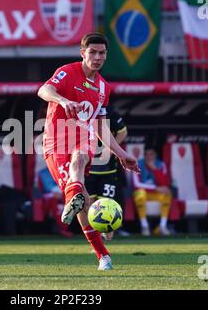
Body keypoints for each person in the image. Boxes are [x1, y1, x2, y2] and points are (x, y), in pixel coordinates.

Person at [37, 32, 140, 270]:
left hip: (83, 138)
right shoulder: (67, 71)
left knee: (81, 158)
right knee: (83, 204)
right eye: (92, 52)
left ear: (106, 55)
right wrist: (62, 101)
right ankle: (103, 254)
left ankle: (73, 196)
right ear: (83, 53)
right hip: (56, 141)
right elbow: (43, 90)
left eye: (101, 53)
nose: (97, 57)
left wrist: (122, 155)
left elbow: (102, 127)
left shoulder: (104, 88)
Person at [85, 106, 131, 239]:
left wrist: (110, 148)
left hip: (108, 170)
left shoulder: (108, 111)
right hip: (87, 169)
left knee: (107, 205)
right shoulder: (82, 109)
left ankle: (108, 240)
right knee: (90, 206)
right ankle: (97, 243)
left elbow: (122, 132)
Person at [132, 145, 172, 237]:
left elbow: (164, 184)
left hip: (156, 194)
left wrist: (154, 169)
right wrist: (155, 188)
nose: (149, 157)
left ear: (156, 155)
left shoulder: (161, 164)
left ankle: (162, 226)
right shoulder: (137, 164)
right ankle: (144, 226)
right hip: (144, 192)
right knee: (140, 194)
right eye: (146, 154)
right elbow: (136, 184)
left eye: (151, 154)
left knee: (167, 193)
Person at [37, 166, 73, 237]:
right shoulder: (42, 173)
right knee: (54, 201)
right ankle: (63, 229)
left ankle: (63, 227)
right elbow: (40, 190)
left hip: (62, 195)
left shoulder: (61, 170)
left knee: (64, 200)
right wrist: (52, 194)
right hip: (48, 196)